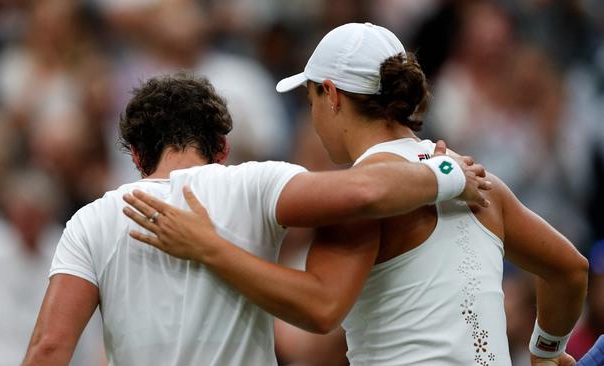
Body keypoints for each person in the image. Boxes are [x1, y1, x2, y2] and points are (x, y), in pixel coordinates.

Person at [124, 23, 589, 365]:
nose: (311, 116)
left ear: (332, 94)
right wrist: (546, 353)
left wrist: (209, 249)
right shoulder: (480, 181)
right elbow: (569, 270)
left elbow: (320, 308)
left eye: (310, 100)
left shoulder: (362, 199)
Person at [22, 73, 489, 365]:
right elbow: (365, 191)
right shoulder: (254, 183)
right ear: (222, 149)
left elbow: (48, 349)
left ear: (138, 155)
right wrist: (444, 172)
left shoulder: (91, 220)